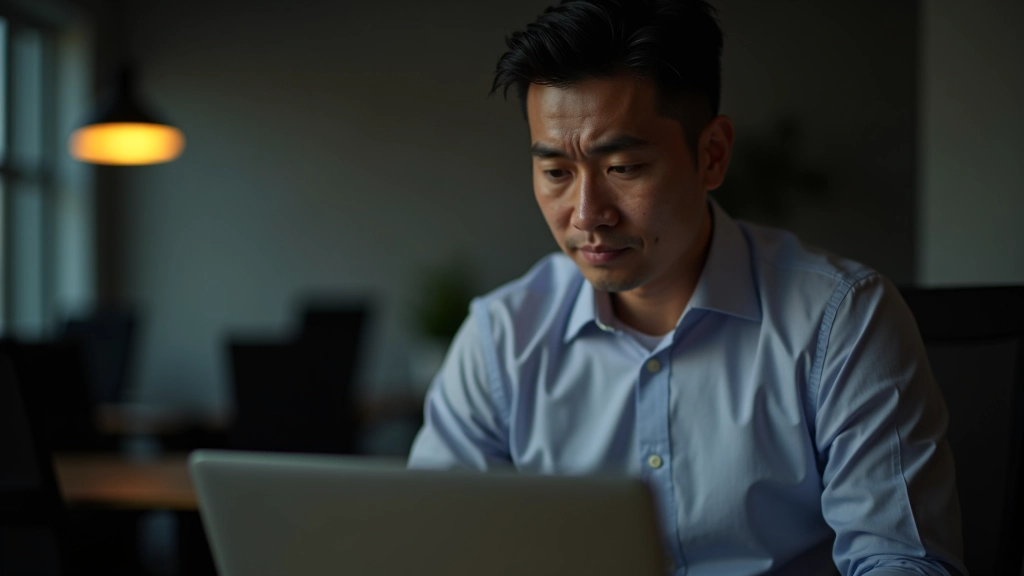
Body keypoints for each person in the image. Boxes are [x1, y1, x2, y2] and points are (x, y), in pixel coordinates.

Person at [407, 1, 965, 574]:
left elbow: (903, 561)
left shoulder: (841, 320)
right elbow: (433, 548)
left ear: (712, 155)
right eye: (556, 173)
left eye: (622, 168)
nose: (586, 214)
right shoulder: (501, 338)